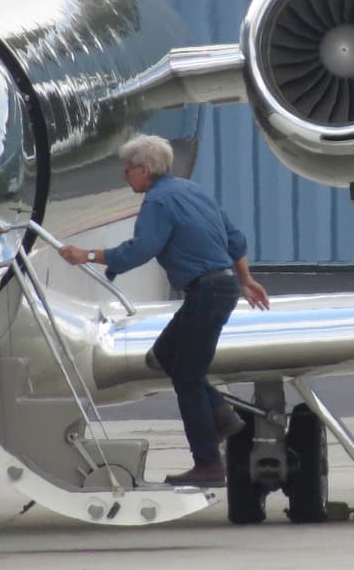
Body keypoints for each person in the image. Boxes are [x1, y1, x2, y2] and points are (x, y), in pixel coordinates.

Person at [59, 134, 270, 488]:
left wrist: (88, 255)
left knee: (187, 378)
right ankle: (221, 415)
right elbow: (234, 238)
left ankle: (208, 464)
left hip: (206, 292)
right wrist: (245, 279)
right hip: (221, 287)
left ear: (144, 169)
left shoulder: (157, 201)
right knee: (164, 355)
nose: (125, 176)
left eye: (128, 169)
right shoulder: (193, 190)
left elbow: (142, 249)